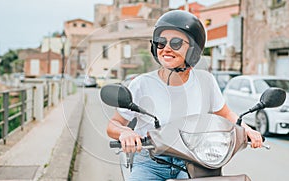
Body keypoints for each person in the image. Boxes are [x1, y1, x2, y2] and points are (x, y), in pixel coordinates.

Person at [106, 10, 263, 180]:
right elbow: (114, 124)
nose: (166, 48)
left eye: (176, 43)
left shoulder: (206, 81)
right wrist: (125, 133)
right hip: (149, 163)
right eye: (160, 43)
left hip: (193, 161)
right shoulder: (142, 84)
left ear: (193, 49)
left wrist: (247, 129)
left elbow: (226, 114)